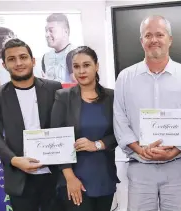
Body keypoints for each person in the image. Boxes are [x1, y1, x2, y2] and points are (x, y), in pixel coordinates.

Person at [113, 15, 181, 211]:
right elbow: (120, 119)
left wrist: (175, 150)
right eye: (148, 35)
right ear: (141, 41)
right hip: (140, 167)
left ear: (170, 39)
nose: (154, 39)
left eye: (159, 34)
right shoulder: (125, 78)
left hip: (177, 167)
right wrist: (140, 149)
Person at [0, 38, 63, 211]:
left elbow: (64, 125)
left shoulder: (54, 88)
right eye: (12, 59)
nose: (18, 63)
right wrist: (14, 160)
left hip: (54, 174)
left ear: (33, 60)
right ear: (4, 65)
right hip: (19, 176)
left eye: (23, 57)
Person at [51, 46, 120, 211]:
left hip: (104, 177)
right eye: (76, 66)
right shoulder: (63, 97)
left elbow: (121, 133)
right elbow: (56, 140)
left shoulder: (112, 97)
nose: (81, 71)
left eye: (86, 65)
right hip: (75, 179)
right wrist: (70, 178)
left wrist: (97, 144)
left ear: (97, 66)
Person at [42, 13, 76, 83]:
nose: (47, 35)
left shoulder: (76, 54)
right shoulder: (46, 57)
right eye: (46, 31)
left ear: (65, 31)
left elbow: (80, 86)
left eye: (51, 30)